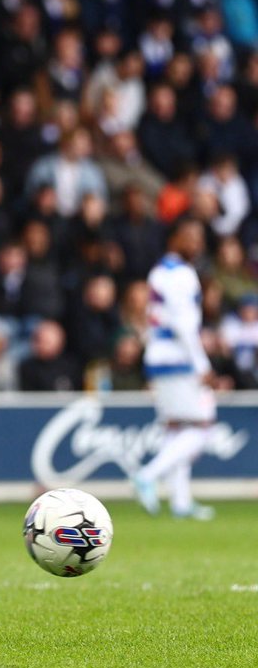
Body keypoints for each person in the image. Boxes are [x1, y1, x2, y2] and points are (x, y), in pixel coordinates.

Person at [131, 217, 217, 521]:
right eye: (189, 237)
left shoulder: (159, 272)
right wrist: (203, 365)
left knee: (176, 429)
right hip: (179, 359)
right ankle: (147, 474)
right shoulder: (181, 274)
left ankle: (181, 500)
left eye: (199, 237)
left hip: (159, 356)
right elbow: (184, 325)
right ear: (174, 240)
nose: (197, 244)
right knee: (201, 428)